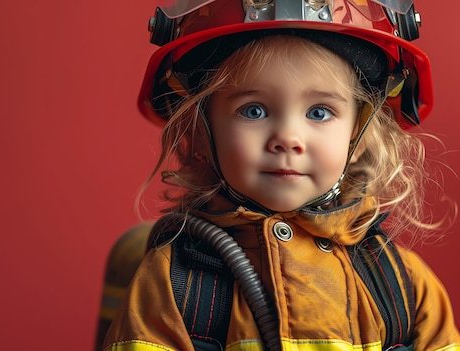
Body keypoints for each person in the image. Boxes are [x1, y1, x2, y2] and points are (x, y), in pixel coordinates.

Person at [102, 0, 460, 350]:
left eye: (319, 112)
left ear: (362, 133)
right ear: (200, 129)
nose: (288, 138)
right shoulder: (171, 285)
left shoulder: (405, 287)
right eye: (254, 110)